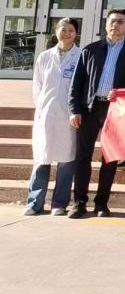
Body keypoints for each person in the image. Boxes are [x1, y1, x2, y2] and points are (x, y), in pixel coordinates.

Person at [68, 9, 125, 219]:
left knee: (109, 158)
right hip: (89, 109)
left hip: (116, 110)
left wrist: (122, 94)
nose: (115, 25)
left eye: (120, 22)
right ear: (106, 24)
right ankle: (79, 203)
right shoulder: (90, 50)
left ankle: (102, 203)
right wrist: (74, 109)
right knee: (83, 156)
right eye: (112, 21)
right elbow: (76, 83)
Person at [26, 18, 81, 216]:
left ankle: (59, 203)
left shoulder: (80, 56)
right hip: (46, 114)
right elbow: (37, 86)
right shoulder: (44, 56)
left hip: (69, 116)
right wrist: (42, 108)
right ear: (56, 31)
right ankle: (34, 203)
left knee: (66, 161)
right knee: (42, 158)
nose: (66, 33)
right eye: (63, 29)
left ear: (76, 33)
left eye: (70, 30)